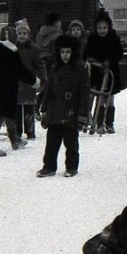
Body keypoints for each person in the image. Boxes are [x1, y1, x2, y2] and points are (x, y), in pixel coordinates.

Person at [0, 25, 40, 157]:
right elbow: (21, 70)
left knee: (8, 115)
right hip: (5, 91)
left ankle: (15, 139)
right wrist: (34, 81)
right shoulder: (11, 53)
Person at [37, 34, 92, 178]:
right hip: (55, 111)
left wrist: (82, 115)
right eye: (62, 52)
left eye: (68, 52)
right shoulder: (55, 68)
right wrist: (44, 108)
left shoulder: (80, 70)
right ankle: (49, 167)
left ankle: (72, 167)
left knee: (71, 143)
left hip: (71, 112)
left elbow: (85, 94)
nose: (65, 55)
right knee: (51, 143)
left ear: (73, 52)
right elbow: (48, 90)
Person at [82, 9, 125, 134]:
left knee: (109, 98)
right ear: (96, 28)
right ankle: (99, 123)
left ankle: (109, 123)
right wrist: (90, 59)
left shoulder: (114, 39)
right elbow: (86, 53)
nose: (102, 30)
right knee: (99, 98)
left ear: (109, 27)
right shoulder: (93, 39)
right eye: (100, 28)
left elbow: (119, 53)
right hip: (97, 72)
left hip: (111, 73)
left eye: (104, 27)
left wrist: (109, 61)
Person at [13, 19, 45, 140]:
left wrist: (43, 78)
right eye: (20, 33)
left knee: (29, 110)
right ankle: (17, 131)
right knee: (16, 110)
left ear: (28, 35)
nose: (22, 36)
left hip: (28, 83)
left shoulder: (34, 49)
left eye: (24, 33)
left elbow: (40, 65)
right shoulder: (13, 49)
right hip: (16, 83)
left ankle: (30, 131)